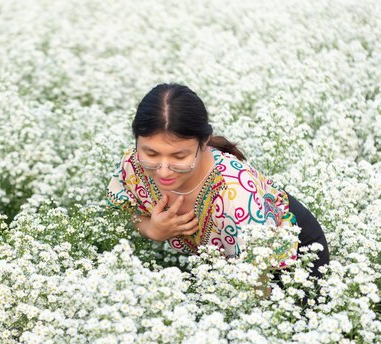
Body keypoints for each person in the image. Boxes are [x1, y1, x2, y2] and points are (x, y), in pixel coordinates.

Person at [106, 83, 330, 305]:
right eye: (151, 153)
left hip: (291, 261)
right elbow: (121, 212)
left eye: (179, 157)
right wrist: (150, 229)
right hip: (222, 266)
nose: (163, 170)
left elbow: (257, 283)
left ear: (204, 142)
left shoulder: (235, 193)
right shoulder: (134, 165)